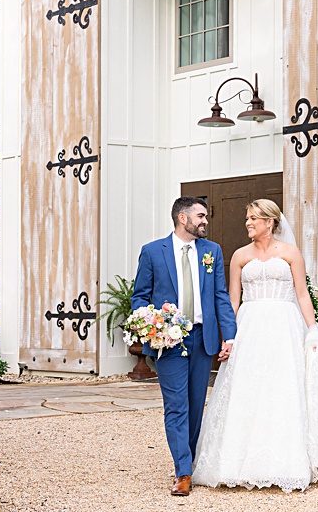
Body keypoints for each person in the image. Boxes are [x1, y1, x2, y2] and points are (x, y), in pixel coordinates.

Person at [191, 199, 318, 492]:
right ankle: (237, 462)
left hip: (283, 326)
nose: (248, 223)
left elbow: (302, 294)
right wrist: (229, 337)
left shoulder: (290, 253)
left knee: (282, 388)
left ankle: (286, 461)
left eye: (254, 218)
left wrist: (312, 330)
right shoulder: (239, 255)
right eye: (247, 218)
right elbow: (232, 300)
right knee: (247, 388)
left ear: (270, 221)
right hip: (249, 327)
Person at [132, 197, 238, 497]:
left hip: (203, 339)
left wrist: (228, 336)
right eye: (200, 216)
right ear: (182, 218)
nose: (205, 221)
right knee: (176, 406)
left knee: (194, 407)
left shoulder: (212, 251)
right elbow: (139, 296)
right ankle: (183, 472)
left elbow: (220, 295)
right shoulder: (153, 252)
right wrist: (151, 325)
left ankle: (187, 460)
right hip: (169, 341)